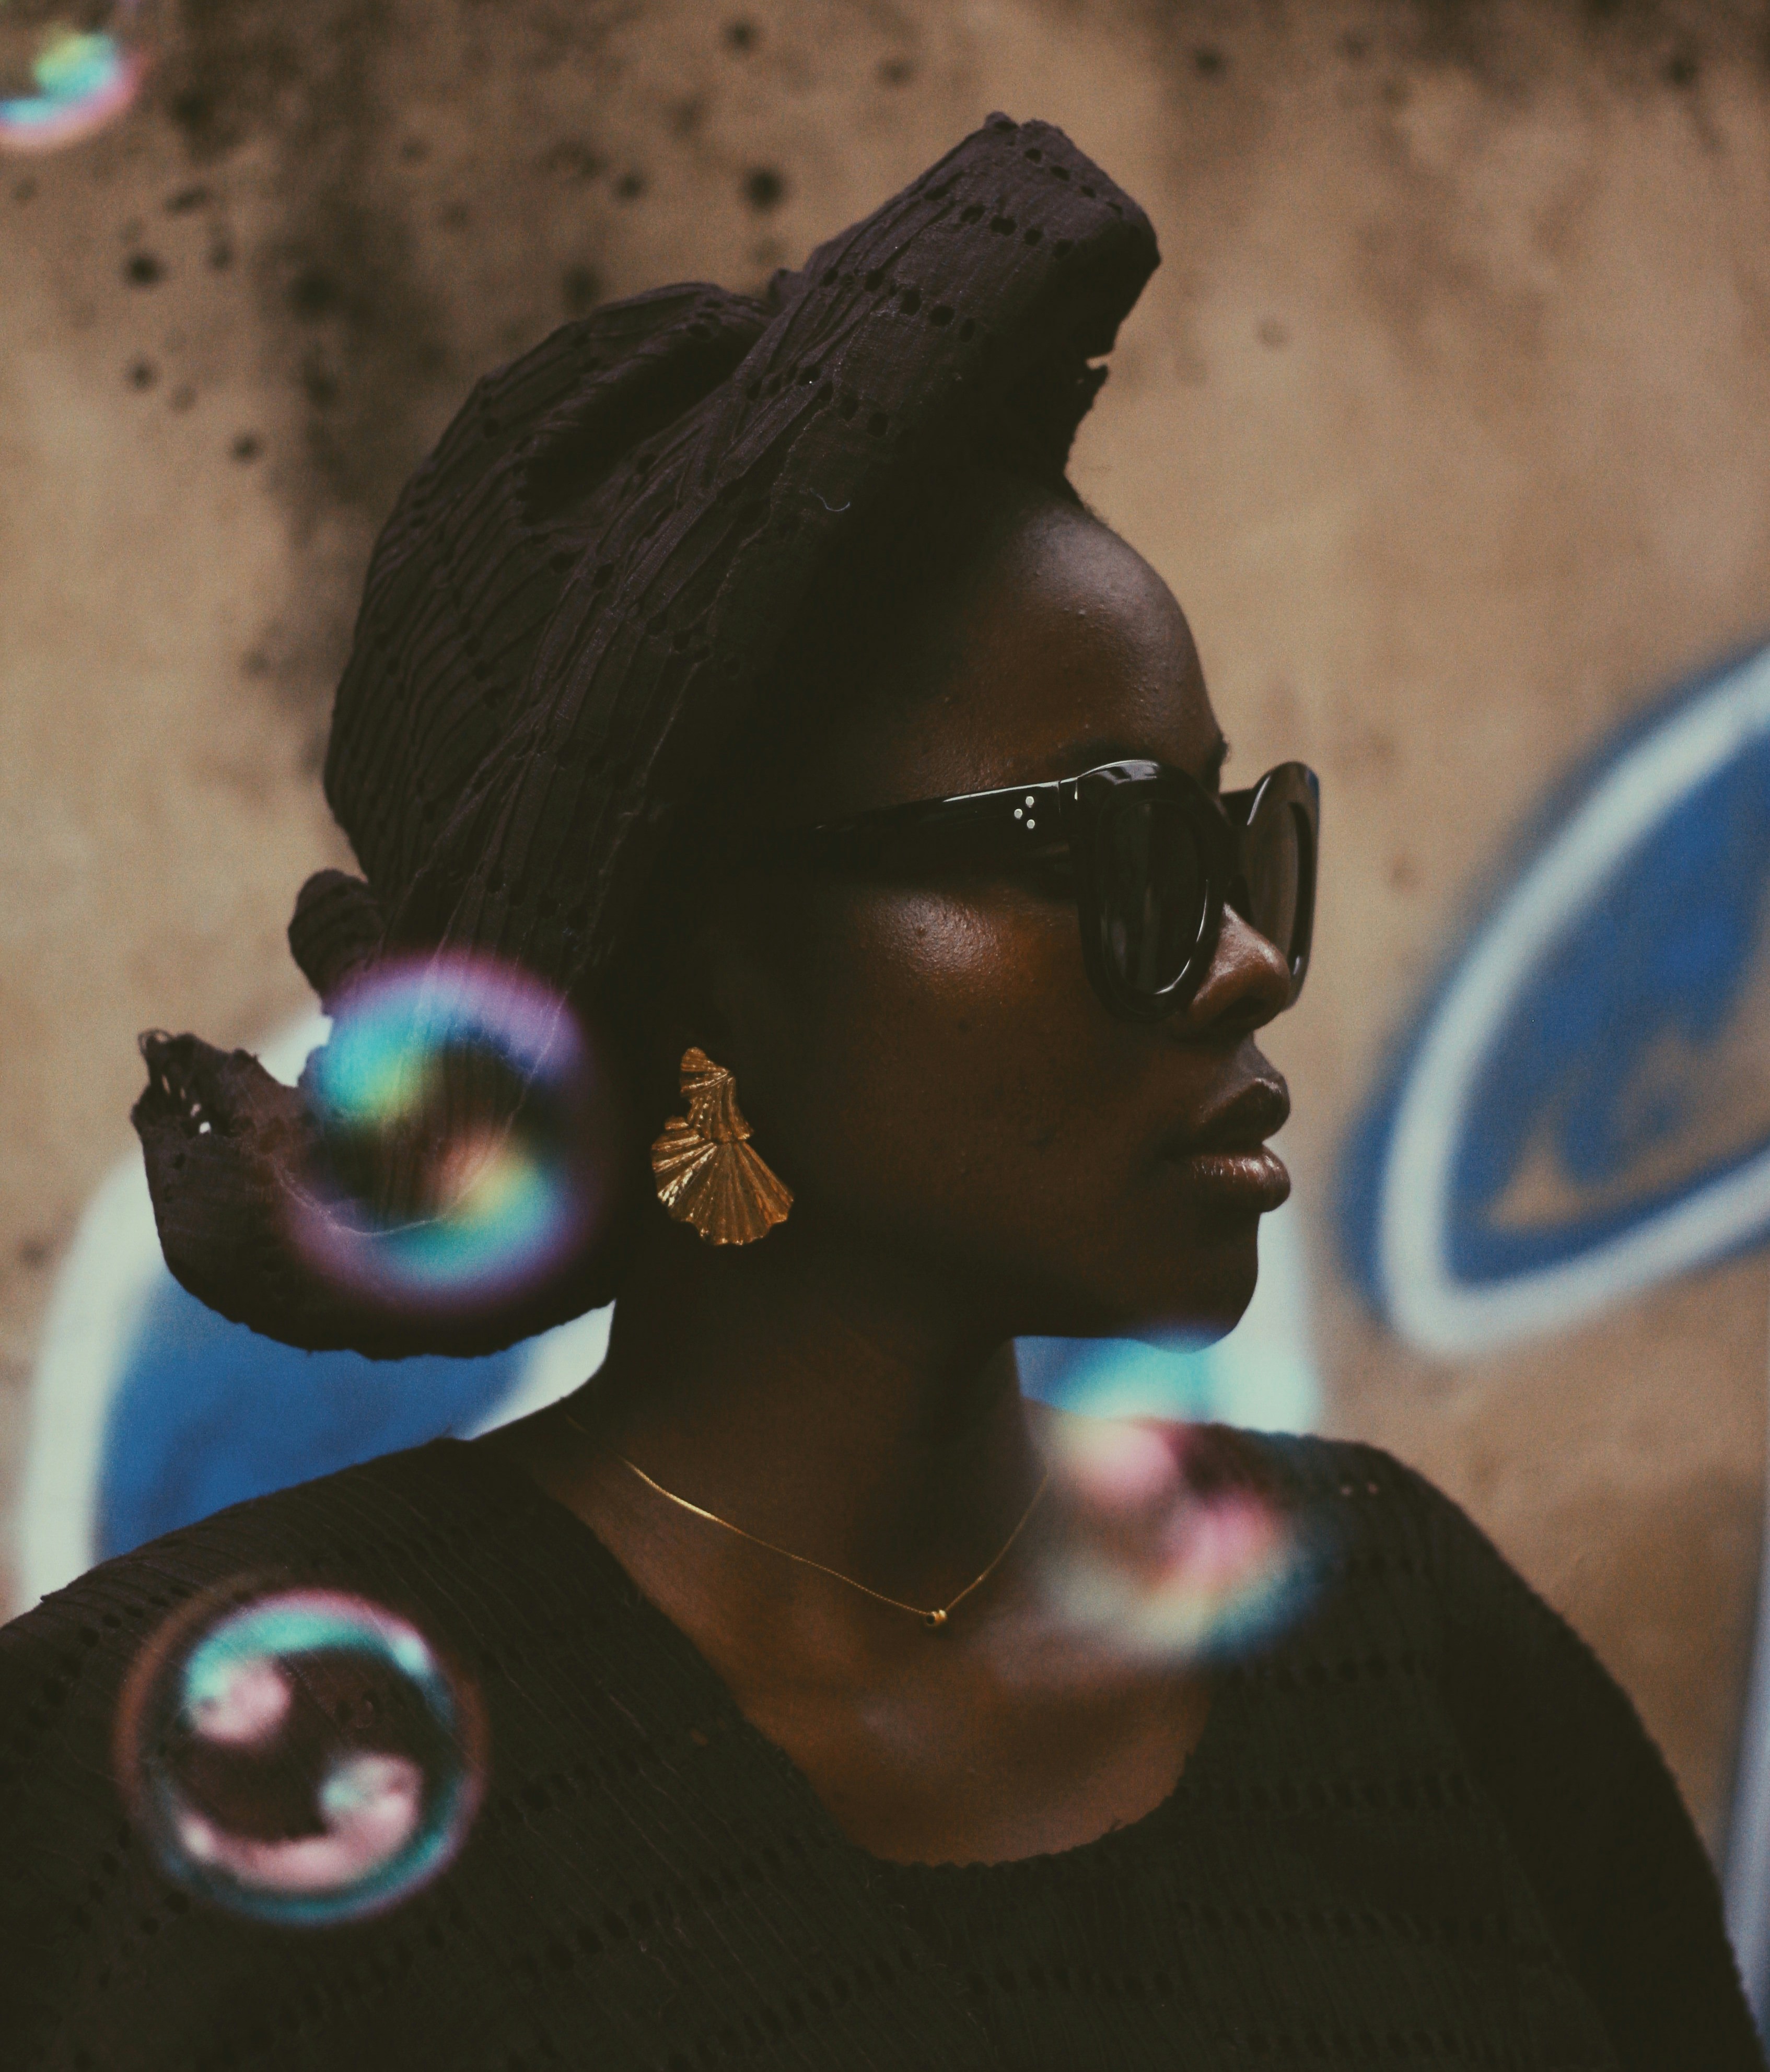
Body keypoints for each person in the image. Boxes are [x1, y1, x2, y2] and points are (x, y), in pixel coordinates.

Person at [2, 116, 1760, 2071]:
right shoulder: (126, 1821)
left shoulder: (1396, 1637)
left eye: (1235, 844)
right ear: (707, 971)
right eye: (1112, 856)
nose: (1251, 961)